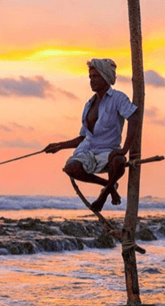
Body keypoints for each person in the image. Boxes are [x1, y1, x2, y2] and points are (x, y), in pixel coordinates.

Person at [44, 58, 139, 212]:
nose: (92, 80)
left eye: (96, 76)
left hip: (108, 151)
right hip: (88, 151)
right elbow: (83, 137)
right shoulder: (89, 104)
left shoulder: (118, 98)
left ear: (106, 77)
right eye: (90, 77)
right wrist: (59, 146)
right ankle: (109, 187)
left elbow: (133, 117)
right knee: (71, 168)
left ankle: (103, 196)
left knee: (120, 162)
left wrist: (124, 149)